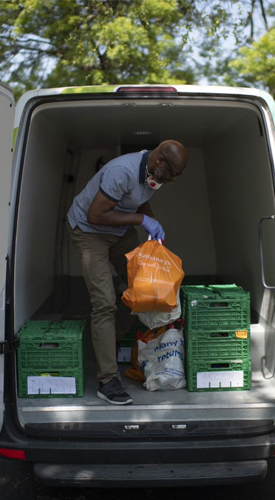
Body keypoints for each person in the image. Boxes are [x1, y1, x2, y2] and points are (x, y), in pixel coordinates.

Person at [65, 140, 187, 405]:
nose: (173, 180)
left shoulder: (153, 173)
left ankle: (110, 339)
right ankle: (108, 381)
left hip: (119, 232)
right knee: (104, 304)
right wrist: (142, 221)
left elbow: (139, 202)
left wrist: (151, 227)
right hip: (89, 232)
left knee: (147, 288)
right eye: (172, 174)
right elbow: (96, 215)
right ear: (159, 162)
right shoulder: (122, 171)